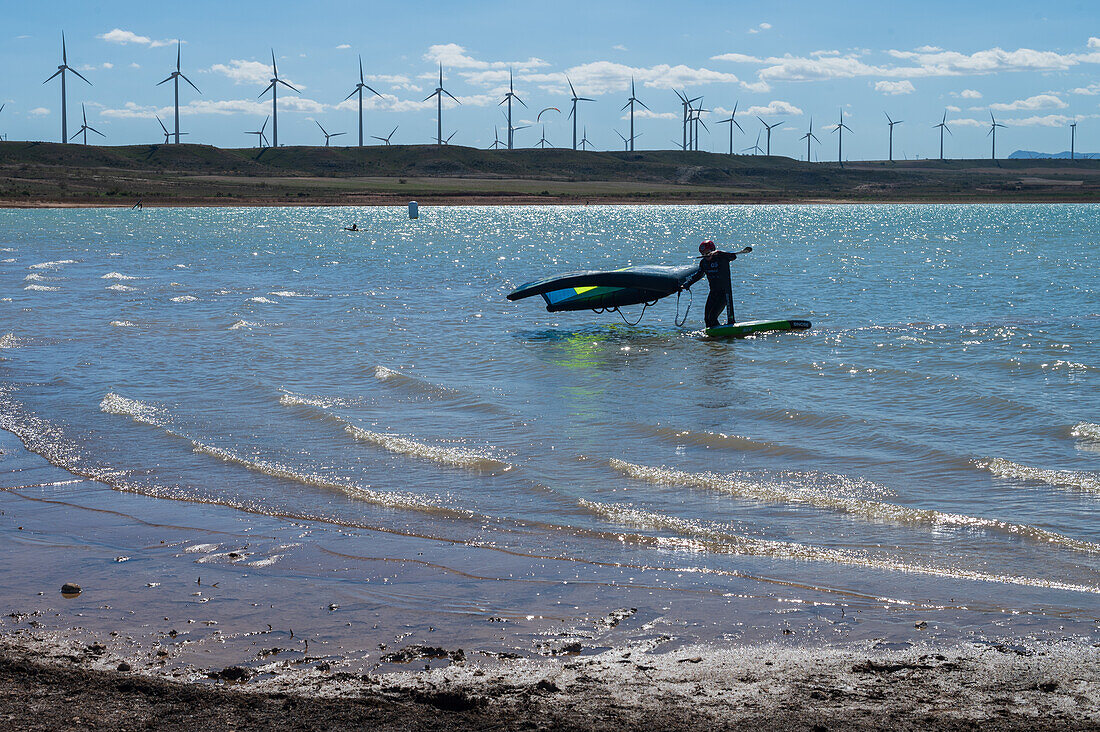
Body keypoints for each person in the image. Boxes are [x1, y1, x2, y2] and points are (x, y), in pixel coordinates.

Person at [683, 240, 740, 328]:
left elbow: (733, 257)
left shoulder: (721, 258)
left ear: (713, 250)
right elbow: (699, 275)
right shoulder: (704, 263)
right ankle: (713, 338)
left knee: (712, 317)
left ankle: (721, 336)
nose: (706, 256)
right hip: (713, 292)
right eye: (703, 253)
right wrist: (688, 284)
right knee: (707, 319)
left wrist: (720, 253)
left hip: (725, 293)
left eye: (708, 253)